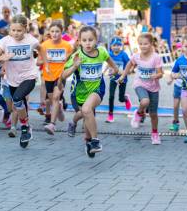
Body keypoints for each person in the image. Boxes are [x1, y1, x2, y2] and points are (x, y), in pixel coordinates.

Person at [0, 14, 47, 148]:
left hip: (29, 76)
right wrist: (4, 57)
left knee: (17, 99)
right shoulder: (5, 41)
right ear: (9, 29)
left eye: (19, 30)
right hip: (12, 79)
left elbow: (41, 49)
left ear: (25, 29)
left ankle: (24, 127)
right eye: (13, 30)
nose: (16, 33)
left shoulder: (31, 40)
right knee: (18, 104)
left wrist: (45, 63)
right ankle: (26, 127)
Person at [62, 26, 118, 156]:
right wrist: (74, 66)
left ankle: (94, 141)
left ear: (96, 40)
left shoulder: (102, 52)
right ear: (79, 41)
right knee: (84, 113)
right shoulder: (77, 55)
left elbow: (114, 67)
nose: (88, 43)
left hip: (97, 89)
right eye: (84, 40)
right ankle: (74, 123)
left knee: (87, 110)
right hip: (80, 93)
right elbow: (63, 75)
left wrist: (114, 71)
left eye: (91, 40)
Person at [122, 33, 164, 145]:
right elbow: (129, 64)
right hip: (139, 84)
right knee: (145, 101)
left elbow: (161, 73)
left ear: (151, 44)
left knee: (153, 114)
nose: (143, 46)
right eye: (140, 44)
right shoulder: (136, 56)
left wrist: (156, 75)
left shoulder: (156, 57)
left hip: (153, 87)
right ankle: (138, 113)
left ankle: (155, 134)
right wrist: (123, 76)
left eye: (145, 44)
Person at [40, 21, 73, 135]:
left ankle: (52, 124)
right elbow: (38, 61)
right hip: (48, 76)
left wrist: (68, 63)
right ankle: (59, 109)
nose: (54, 34)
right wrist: (47, 60)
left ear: (61, 32)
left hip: (61, 76)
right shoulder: (44, 45)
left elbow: (70, 61)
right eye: (52, 31)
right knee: (52, 100)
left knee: (55, 97)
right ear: (49, 32)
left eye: (57, 31)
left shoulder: (67, 46)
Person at [105, 36, 130, 124]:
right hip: (113, 77)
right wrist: (104, 71)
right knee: (111, 96)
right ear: (111, 46)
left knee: (121, 99)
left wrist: (125, 72)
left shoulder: (124, 55)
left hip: (122, 78)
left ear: (121, 46)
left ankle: (125, 98)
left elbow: (129, 65)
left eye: (118, 45)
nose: (116, 47)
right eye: (114, 45)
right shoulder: (109, 54)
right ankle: (110, 115)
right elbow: (109, 63)